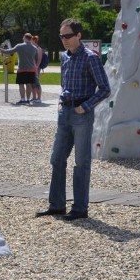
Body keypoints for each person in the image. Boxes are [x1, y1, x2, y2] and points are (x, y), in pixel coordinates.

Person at [37, 18, 110, 221]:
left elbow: (105, 88)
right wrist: (62, 102)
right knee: (57, 159)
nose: (64, 40)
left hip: (81, 115)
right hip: (65, 113)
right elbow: (65, 83)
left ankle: (80, 208)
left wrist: (84, 107)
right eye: (61, 36)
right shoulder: (65, 58)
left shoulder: (91, 58)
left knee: (81, 162)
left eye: (68, 36)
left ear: (79, 35)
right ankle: (57, 205)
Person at [0, 33, 38, 104]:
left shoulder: (19, 46)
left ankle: (22, 99)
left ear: (24, 38)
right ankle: (28, 99)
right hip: (31, 69)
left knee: (21, 84)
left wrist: (2, 50)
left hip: (22, 68)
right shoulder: (34, 48)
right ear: (30, 39)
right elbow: (36, 59)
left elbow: (10, 51)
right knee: (29, 84)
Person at [32, 35, 44, 105]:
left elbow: (39, 59)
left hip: (36, 68)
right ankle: (34, 97)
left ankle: (39, 98)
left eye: (32, 40)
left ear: (34, 40)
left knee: (37, 83)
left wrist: (36, 67)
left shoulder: (38, 48)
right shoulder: (33, 48)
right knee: (32, 83)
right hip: (31, 68)